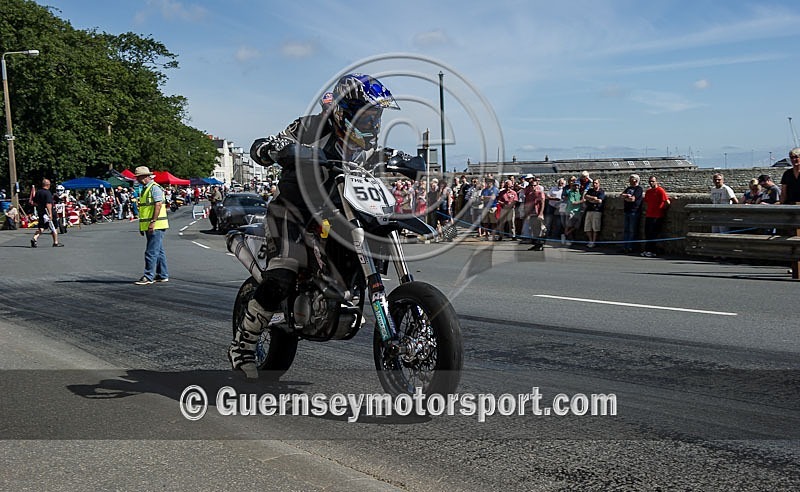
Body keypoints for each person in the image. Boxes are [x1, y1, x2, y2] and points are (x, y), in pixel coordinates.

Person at [231, 73, 401, 379]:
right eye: (367, 117)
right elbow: (266, 145)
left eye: (376, 118)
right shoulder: (310, 127)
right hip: (294, 210)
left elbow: (380, 163)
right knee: (282, 273)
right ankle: (244, 344)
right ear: (344, 112)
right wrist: (272, 149)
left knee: (376, 234)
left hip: (337, 212)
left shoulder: (366, 149)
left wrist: (403, 160)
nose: (373, 125)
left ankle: (342, 293)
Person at [133, 166, 169, 285]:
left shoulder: (154, 188)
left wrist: (153, 222)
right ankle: (162, 275)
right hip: (153, 224)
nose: (137, 179)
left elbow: (158, 204)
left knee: (151, 252)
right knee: (158, 251)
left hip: (156, 225)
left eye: (138, 177)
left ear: (144, 177)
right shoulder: (146, 189)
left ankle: (148, 276)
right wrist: (142, 226)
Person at [642, 176, 670, 257]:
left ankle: (652, 251)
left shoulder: (660, 190)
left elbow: (667, 202)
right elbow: (646, 201)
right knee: (647, 233)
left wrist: (662, 209)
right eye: (650, 181)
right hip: (649, 215)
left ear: (656, 182)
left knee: (654, 234)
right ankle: (647, 250)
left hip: (657, 215)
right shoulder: (648, 191)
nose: (651, 183)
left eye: (653, 181)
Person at [31, 178, 63, 248]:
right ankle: (55, 242)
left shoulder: (38, 192)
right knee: (54, 227)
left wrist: (40, 207)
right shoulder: (47, 193)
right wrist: (50, 214)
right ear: (47, 185)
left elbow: (34, 202)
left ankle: (35, 238)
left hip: (41, 212)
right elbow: (48, 204)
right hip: (48, 212)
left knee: (42, 227)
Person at [619, 174, 644, 254]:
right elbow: (621, 195)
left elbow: (633, 199)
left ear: (636, 180)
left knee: (632, 230)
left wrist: (626, 198)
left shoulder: (639, 189)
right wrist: (627, 196)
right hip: (627, 211)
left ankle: (630, 247)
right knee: (626, 230)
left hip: (634, 211)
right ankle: (625, 246)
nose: (629, 180)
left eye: (631, 179)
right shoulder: (628, 188)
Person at [523, 176, 546, 250]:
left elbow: (542, 203)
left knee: (539, 229)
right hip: (531, 213)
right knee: (533, 229)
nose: (533, 187)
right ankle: (536, 244)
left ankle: (540, 244)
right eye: (531, 185)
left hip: (537, 213)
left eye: (534, 185)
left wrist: (541, 213)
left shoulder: (539, 192)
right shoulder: (529, 193)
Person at [582, 178, 605, 248]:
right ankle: (590, 240)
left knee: (595, 227)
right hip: (589, 210)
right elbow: (585, 196)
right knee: (587, 227)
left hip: (597, 211)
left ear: (599, 184)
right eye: (594, 183)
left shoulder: (601, 191)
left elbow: (599, 201)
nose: (594, 184)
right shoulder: (590, 190)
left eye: (596, 183)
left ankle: (594, 242)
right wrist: (593, 198)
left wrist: (590, 200)